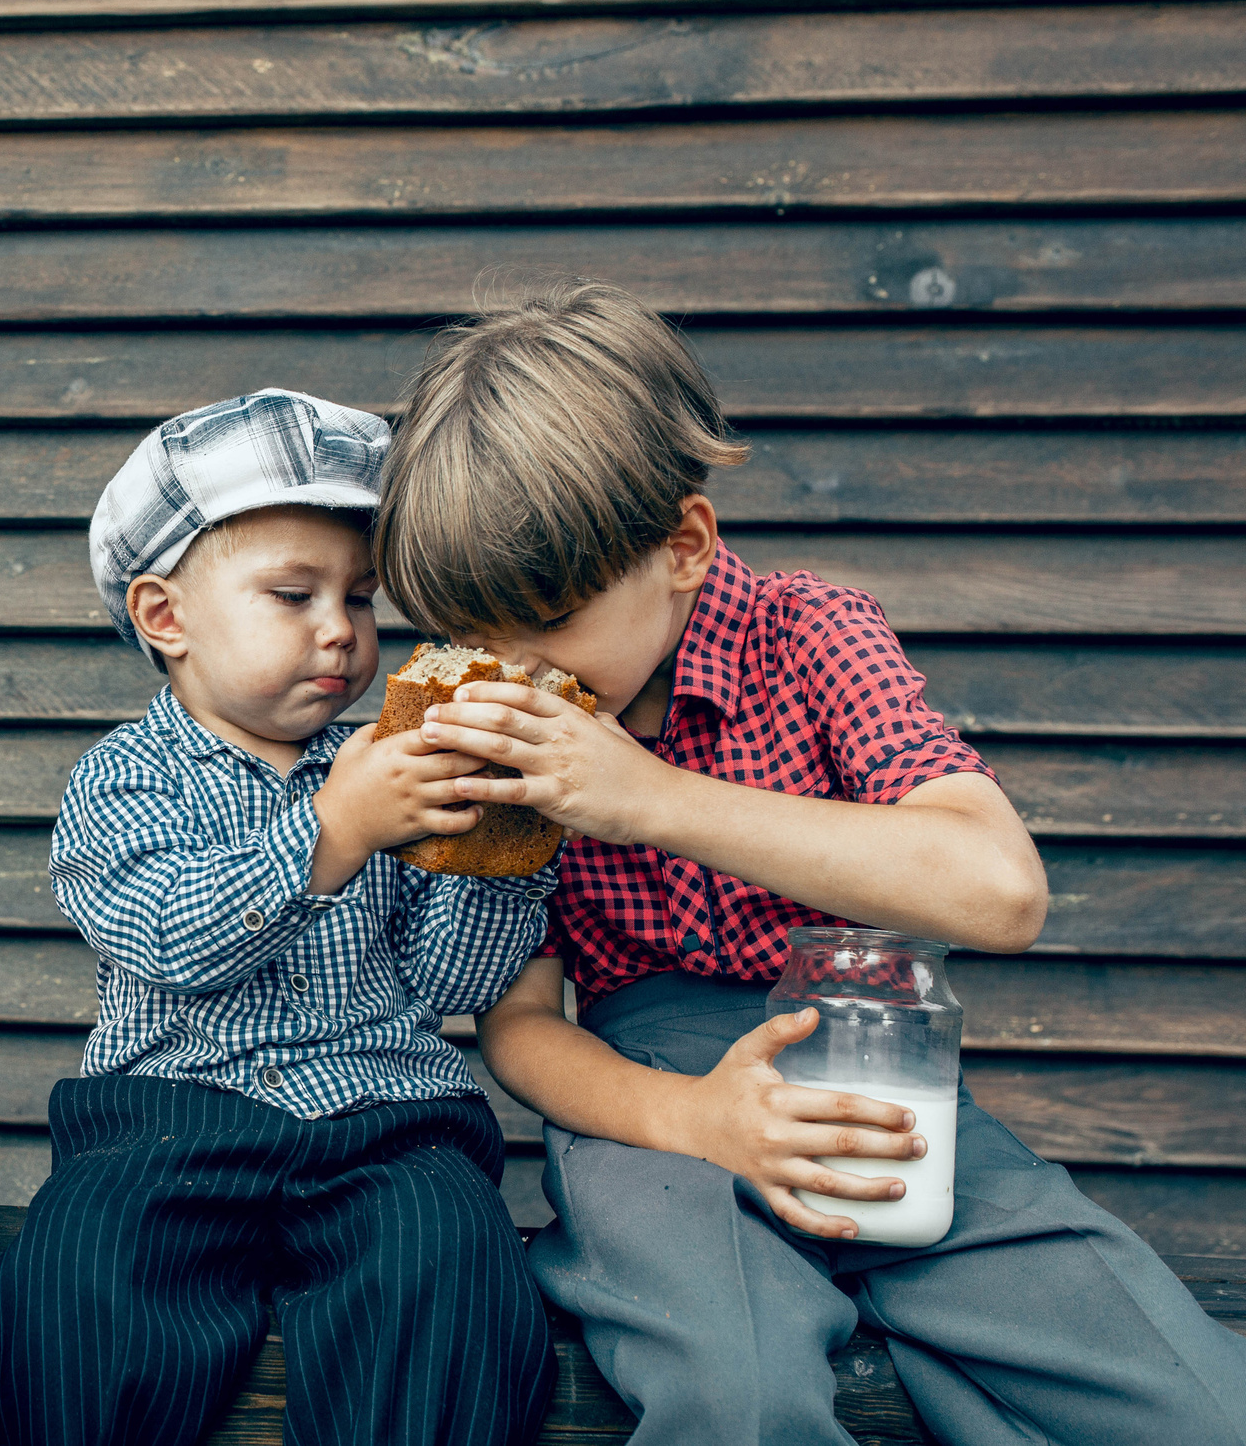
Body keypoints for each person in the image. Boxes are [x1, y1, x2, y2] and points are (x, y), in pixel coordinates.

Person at [374, 278, 1246, 1445]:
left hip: (876, 1073)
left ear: (682, 544)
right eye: (473, 636)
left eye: (542, 626)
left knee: (1188, 1397)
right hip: (653, 1112)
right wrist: (698, 1119)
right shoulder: (496, 739)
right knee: (737, 1392)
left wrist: (652, 800)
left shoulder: (814, 634)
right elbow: (520, 1027)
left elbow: (997, 890)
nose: (507, 673)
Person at [0, 391, 558, 1446]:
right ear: (165, 617)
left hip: (387, 1121)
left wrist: (498, 848)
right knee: (70, 1278)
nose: (339, 628)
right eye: (292, 593)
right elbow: (166, 936)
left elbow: (450, 982)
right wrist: (332, 830)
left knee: (451, 1255)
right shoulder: (122, 777)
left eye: (361, 598)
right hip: (165, 1120)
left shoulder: (396, 761)